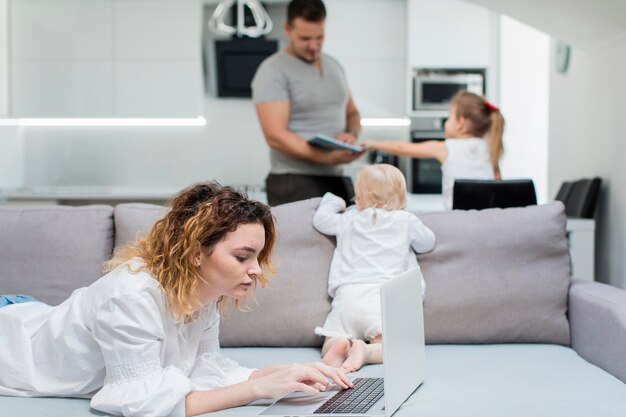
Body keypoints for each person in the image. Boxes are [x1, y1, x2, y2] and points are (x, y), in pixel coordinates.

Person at [0, 182, 352, 417]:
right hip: (11, 341)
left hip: (31, 312)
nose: (257, 271)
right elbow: (137, 399)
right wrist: (259, 387)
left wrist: (288, 374)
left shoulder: (201, 293)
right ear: (197, 252)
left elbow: (203, 369)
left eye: (257, 258)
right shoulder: (130, 297)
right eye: (243, 257)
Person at [312, 164, 435, 372]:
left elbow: (321, 220)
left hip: (347, 296)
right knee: (390, 347)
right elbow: (428, 242)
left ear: (358, 194)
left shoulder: (348, 219)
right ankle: (366, 352)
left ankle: (340, 347)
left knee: (332, 340)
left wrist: (333, 201)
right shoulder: (406, 220)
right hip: (382, 298)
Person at [252, 0, 364, 206]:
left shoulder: (334, 66)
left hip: (338, 178)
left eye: (319, 37)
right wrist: (329, 158)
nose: (314, 46)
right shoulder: (272, 70)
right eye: (305, 38)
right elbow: (275, 137)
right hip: (294, 180)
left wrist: (351, 135)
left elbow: (353, 114)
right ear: (288, 29)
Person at [363, 91, 505, 210]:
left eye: (449, 117)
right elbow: (498, 182)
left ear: (461, 123)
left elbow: (403, 148)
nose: (446, 122)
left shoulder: (448, 147)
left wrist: (373, 143)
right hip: (487, 217)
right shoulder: (489, 148)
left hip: (458, 220)